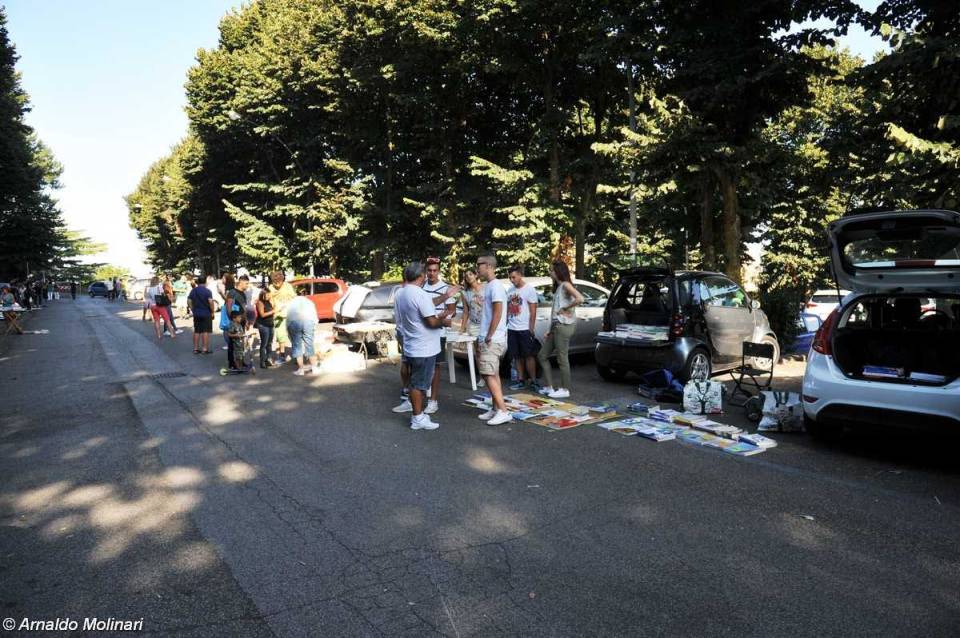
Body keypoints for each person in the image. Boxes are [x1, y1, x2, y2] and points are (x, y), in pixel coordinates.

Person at [394, 262, 453, 430]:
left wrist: (443, 301)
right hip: (424, 347)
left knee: (415, 382)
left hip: (412, 344)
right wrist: (444, 321)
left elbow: (422, 311)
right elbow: (431, 322)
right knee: (418, 385)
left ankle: (418, 415)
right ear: (421, 276)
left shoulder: (401, 293)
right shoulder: (420, 294)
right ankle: (418, 418)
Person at [537, 260, 584, 399]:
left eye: (551, 270)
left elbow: (580, 298)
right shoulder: (559, 287)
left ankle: (565, 389)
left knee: (562, 358)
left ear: (558, 271)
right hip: (556, 327)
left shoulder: (565, 285)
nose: (549, 272)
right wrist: (550, 330)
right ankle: (549, 386)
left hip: (564, 327)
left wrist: (566, 308)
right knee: (542, 355)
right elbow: (555, 313)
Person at [476, 254, 512, 426]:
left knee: (489, 374)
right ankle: (496, 407)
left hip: (493, 338)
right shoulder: (489, 285)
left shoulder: (496, 286)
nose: (477, 268)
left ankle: (503, 411)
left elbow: (498, 312)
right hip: (489, 337)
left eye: (479, 264)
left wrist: (489, 335)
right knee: (492, 373)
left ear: (489, 265)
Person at [421, 257, 460, 415]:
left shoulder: (446, 288)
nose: (432, 273)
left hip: (438, 331)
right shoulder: (421, 286)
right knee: (422, 364)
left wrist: (443, 317)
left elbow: (452, 311)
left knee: (435, 366)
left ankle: (433, 401)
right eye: (429, 270)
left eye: (434, 270)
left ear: (439, 271)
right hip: (422, 330)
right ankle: (419, 396)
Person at [505, 265, 541, 391]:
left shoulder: (529, 290)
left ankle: (534, 380)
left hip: (524, 329)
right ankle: (521, 380)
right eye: (510, 277)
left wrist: (531, 328)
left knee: (529, 356)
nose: (512, 280)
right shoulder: (510, 290)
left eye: (514, 277)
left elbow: (533, 310)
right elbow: (507, 310)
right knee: (517, 356)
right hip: (512, 328)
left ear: (520, 275)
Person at [285, 289, 320, 376]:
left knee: (297, 345)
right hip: (308, 321)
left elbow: (287, 315)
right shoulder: (309, 302)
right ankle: (314, 367)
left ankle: (301, 369)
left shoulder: (291, 302)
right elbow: (314, 315)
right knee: (309, 344)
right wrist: (314, 325)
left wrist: (287, 328)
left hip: (294, 322)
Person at [268, 271, 297, 363]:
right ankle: (282, 355)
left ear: (282, 279)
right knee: (280, 336)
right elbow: (269, 300)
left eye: (279, 279)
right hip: (278, 316)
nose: (277, 282)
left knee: (293, 335)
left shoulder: (288, 286)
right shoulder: (270, 288)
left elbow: (294, 298)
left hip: (290, 314)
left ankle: (297, 355)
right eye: (275, 280)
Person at [188, 275, 215, 354]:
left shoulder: (193, 290)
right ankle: (204, 349)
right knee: (205, 331)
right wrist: (212, 312)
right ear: (205, 281)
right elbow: (210, 302)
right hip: (206, 313)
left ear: (198, 282)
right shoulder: (207, 291)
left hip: (197, 313)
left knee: (197, 331)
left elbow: (189, 301)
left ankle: (196, 348)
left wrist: (193, 309)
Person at [146, 276, 175, 341]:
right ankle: (172, 334)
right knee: (167, 319)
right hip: (160, 305)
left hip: (152, 306)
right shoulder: (159, 287)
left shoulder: (149, 289)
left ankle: (159, 335)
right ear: (157, 281)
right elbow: (163, 294)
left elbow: (149, 298)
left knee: (156, 321)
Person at [255, 289, 276, 368]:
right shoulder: (260, 302)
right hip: (263, 325)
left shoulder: (268, 302)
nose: (269, 296)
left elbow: (272, 310)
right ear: (262, 294)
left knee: (269, 344)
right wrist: (273, 311)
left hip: (270, 324)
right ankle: (262, 362)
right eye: (267, 294)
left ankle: (268, 360)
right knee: (264, 344)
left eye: (269, 294)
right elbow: (262, 314)